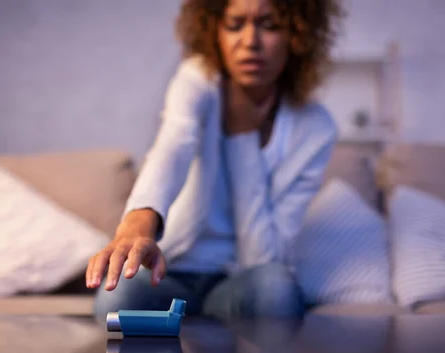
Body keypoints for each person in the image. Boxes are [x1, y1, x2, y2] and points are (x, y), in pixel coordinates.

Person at [86, 0, 343, 321]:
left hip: (242, 281)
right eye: (235, 25)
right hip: (169, 275)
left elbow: (264, 259)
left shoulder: (315, 127)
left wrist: (241, 138)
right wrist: (136, 225)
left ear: (297, 35)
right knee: (116, 301)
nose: (250, 41)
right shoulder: (197, 79)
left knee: (277, 291)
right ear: (214, 32)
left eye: (270, 24)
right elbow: (173, 147)